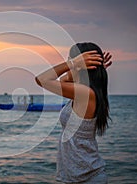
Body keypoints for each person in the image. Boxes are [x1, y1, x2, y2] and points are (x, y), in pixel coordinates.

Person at [35, 42, 112, 183]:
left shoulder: (85, 94)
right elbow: (64, 79)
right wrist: (82, 67)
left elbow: (41, 80)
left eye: (71, 59)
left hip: (87, 178)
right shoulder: (86, 92)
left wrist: (73, 63)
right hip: (77, 177)